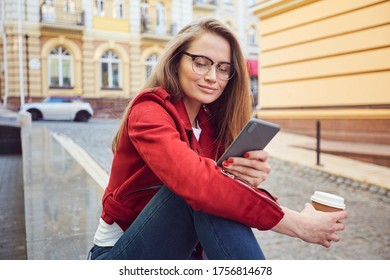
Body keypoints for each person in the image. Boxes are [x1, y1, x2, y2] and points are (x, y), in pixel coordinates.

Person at [88, 18, 348, 260]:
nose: (213, 77)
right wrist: (296, 224)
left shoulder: (210, 124)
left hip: (184, 253)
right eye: (201, 63)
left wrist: (246, 178)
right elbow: (200, 186)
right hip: (117, 255)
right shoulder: (148, 112)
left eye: (223, 69)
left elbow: (224, 193)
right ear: (176, 61)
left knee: (216, 190)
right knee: (200, 191)